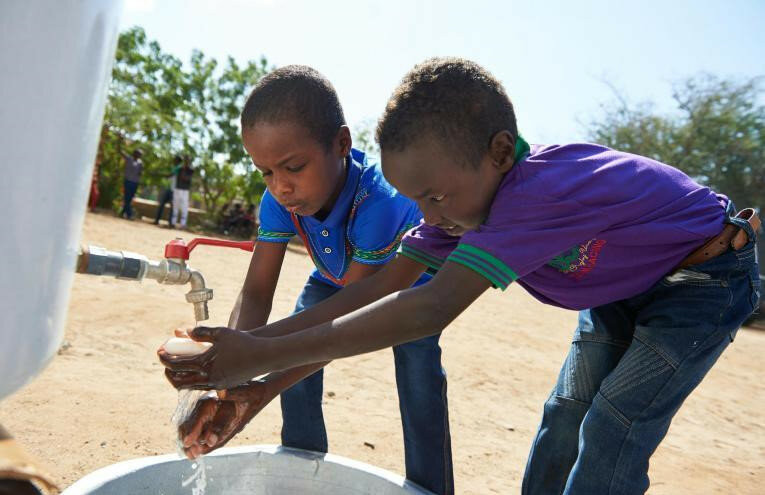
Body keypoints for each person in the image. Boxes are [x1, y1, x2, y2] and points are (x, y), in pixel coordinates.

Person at [160, 58, 760, 494]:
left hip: (703, 279)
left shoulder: (536, 195)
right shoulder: (458, 206)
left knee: (612, 426)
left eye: (435, 196)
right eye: (416, 200)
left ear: (500, 153)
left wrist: (251, 355)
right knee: (565, 416)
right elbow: (377, 287)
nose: (428, 217)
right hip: (622, 289)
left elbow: (427, 308)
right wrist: (252, 362)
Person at [164, 65, 453, 494]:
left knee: (417, 374)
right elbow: (257, 290)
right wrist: (228, 373)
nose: (280, 186)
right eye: (265, 172)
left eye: (294, 166)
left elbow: (345, 322)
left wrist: (260, 364)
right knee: (287, 364)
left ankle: (431, 486)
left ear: (341, 143)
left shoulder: (379, 203)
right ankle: (301, 469)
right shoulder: (279, 199)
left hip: (405, 285)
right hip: (336, 279)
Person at [154, 155, 181, 226]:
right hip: (169, 188)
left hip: (174, 190)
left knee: (171, 206)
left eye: (175, 159)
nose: (173, 160)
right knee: (163, 204)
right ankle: (159, 220)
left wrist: (158, 174)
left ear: (177, 160)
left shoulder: (178, 168)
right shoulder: (174, 167)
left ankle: (170, 222)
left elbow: (170, 175)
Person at [171, 155, 194, 229]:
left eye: (188, 160)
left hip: (185, 190)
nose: (187, 161)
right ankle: (173, 223)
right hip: (177, 189)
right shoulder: (179, 168)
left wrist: (183, 173)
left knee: (184, 207)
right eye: (186, 160)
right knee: (175, 206)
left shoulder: (191, 170)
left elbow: (186, 178)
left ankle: (183, 224)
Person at [119, 148, 142, 219]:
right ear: (134, 153)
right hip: (128, 181)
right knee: (127, 198)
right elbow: (120, 151)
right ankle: (129, 215)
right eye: (138, 154)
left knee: (129, 199)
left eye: (140, 154)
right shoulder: (129, 158)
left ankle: (122, 213)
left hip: (135, 183)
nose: (139, 155)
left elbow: (140, 173)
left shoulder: (140, 162)